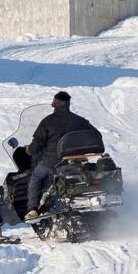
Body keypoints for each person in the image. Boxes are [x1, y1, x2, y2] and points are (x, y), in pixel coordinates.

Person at [24, 91, 99, 219]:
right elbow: (97, 136)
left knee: (35, 177)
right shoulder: (80, 121)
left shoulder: (48, 121)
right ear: (68, 104)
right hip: (77, 163)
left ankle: (32, 209)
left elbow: (37, 144)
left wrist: (29, 150)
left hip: (52, 163)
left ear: (54, 104)